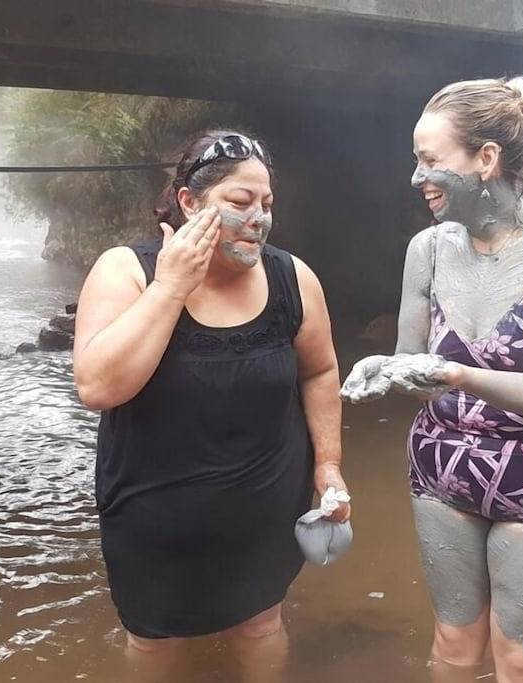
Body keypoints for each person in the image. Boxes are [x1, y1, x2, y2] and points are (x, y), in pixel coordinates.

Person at [342, 77, 523, 683]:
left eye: (430, 160)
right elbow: (416, 366)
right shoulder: (426, 250)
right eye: (417, 160)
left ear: (487, 159)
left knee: (520, 658)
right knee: (454, 643)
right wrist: (387, 369)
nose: (417, 177)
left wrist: (455, 371)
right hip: (441, 466)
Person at [73, 130, 348, 680]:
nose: (259, 219)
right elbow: (98, 388)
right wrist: (170, 288)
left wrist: (327, 465)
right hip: (155, 512)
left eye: (267, 204)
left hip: (265, 501)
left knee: (261, 624)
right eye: (240, 203)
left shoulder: (294, 278)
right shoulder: (127, 270)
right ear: (189, 203)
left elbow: (319, 371)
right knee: (155, 641)